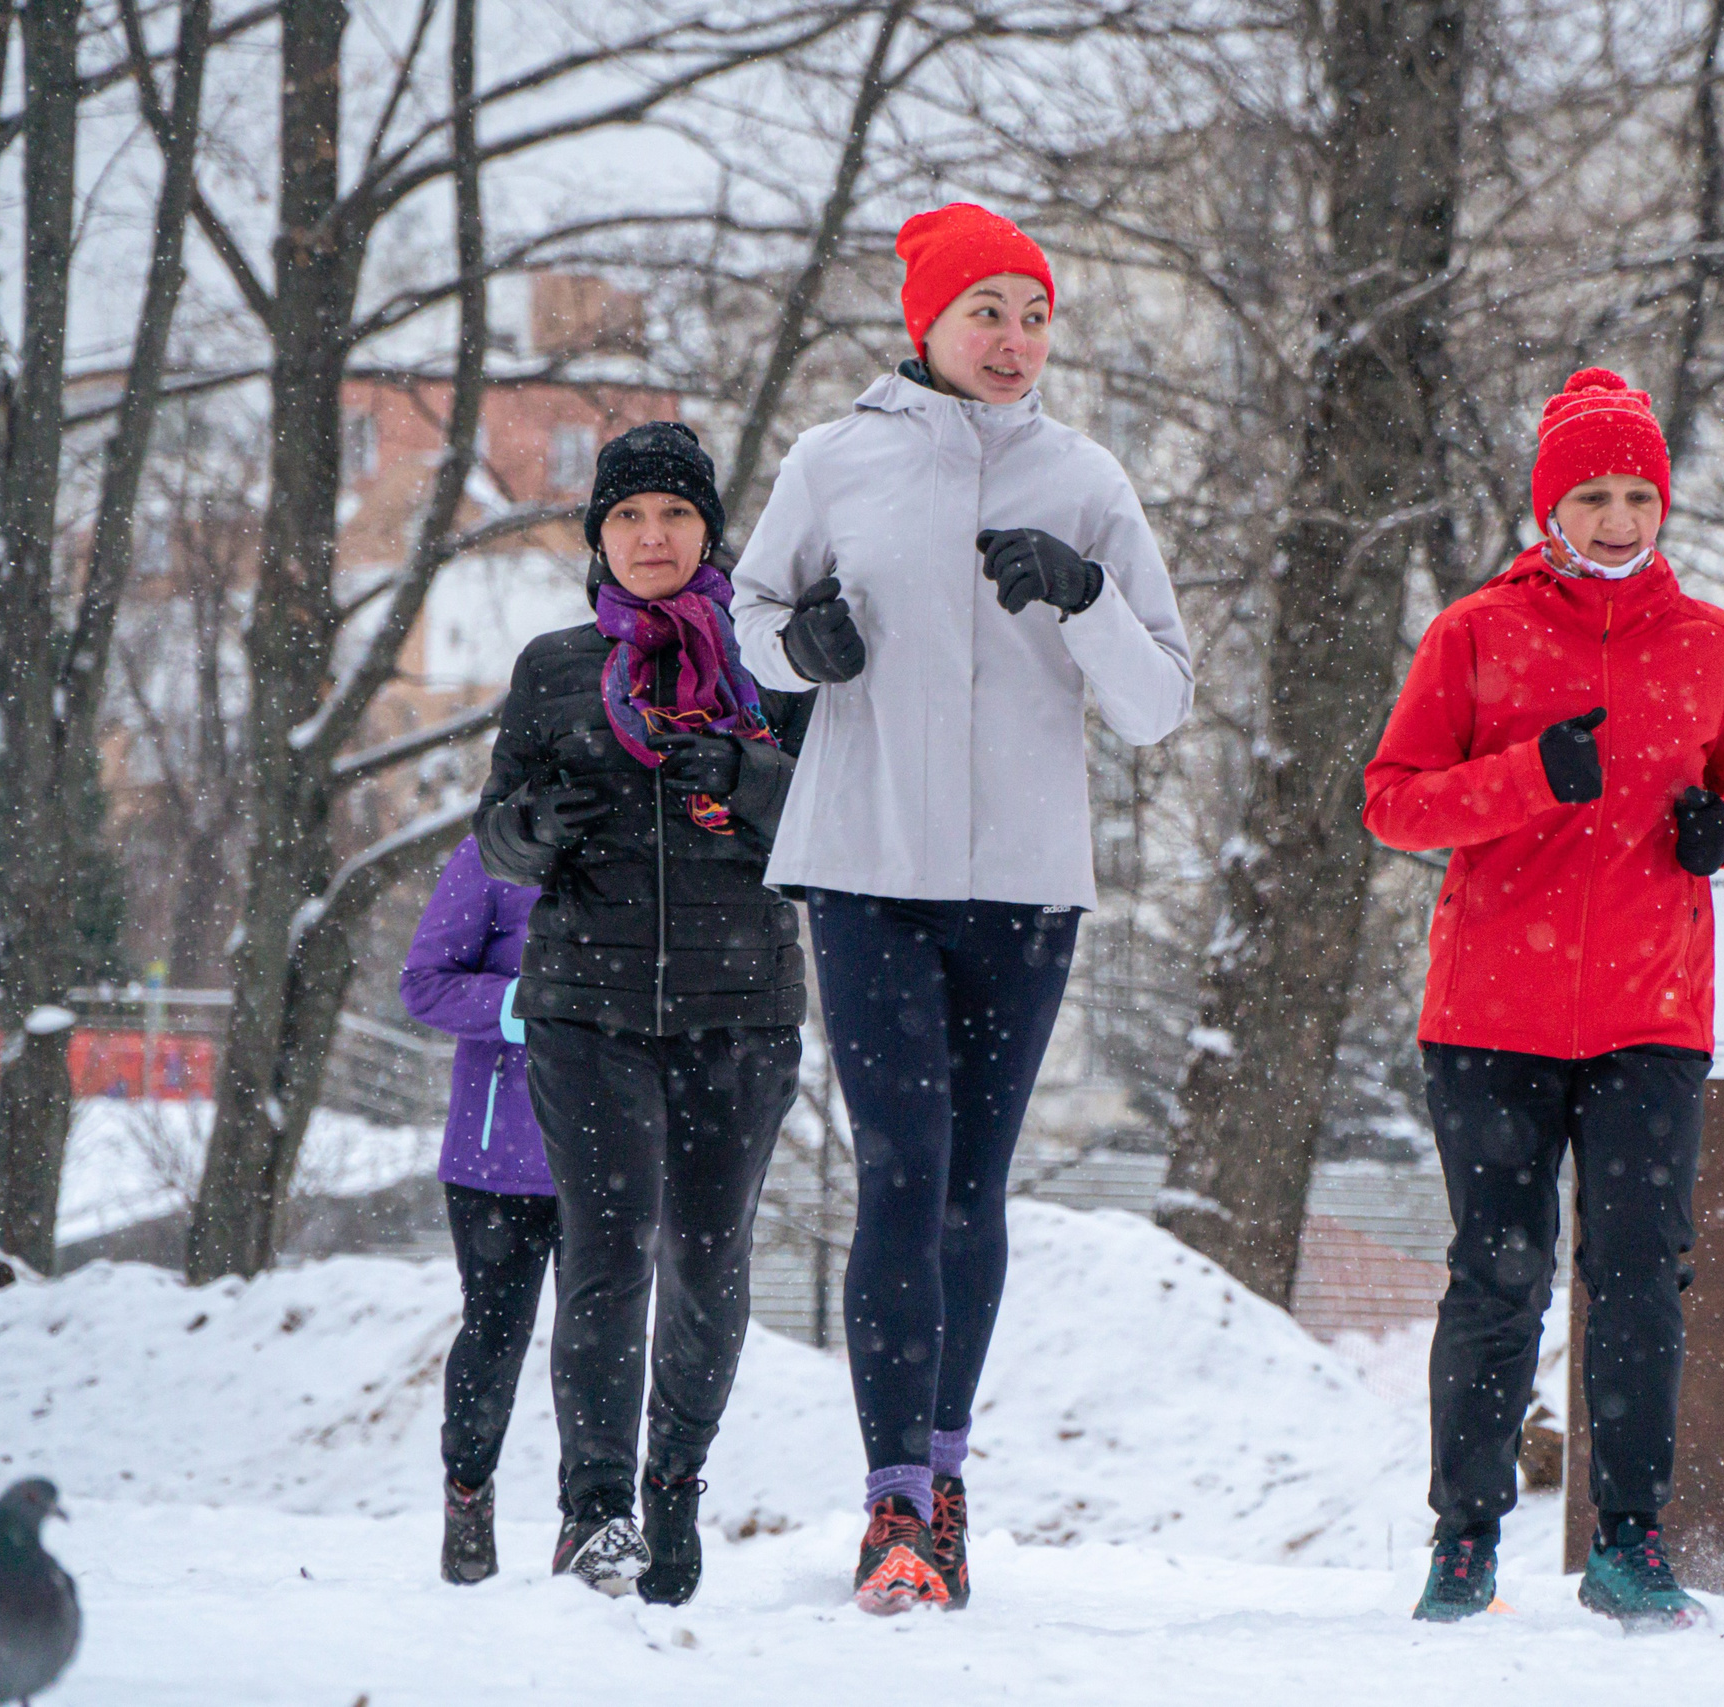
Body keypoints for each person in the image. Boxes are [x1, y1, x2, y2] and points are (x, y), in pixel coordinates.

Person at [732, 202, 1194, 1615]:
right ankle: (892, 1502)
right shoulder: (834, 459)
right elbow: (751, 616)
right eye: (987, 310)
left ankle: (945, 1482)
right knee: (900, 1172)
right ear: (925, 323)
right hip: (870, 868)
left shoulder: (1087, 479)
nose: (1014, 338)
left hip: (1024, 888)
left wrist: (1086, 594)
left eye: (1034, 314)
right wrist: (800, 644)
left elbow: (1159, 703)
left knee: (970, 1189)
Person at [1362, 368, 1724, 1630]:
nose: (1617, 521)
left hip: (1650, 1017)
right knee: (1499, 1279)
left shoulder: (1710, 643)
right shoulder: (1476, 633)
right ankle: (1464, 1545)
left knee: (1642, 1280)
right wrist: (1527, 777)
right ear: (1550, 507)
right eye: (1593, 497)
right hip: (1490, 1018)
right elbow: (1393, 803)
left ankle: (1629, 1543)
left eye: (1637, 497)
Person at [474, 420, 811, 1605]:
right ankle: (594, 1513)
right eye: (628, 516)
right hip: (588, 1010)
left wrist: (748, 778)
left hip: (741, 1010)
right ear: (600, 536)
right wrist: (536, 828)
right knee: (607, 1260)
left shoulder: (771, 665)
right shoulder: (555, 668)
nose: (651, 535)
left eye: (674, 515)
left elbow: (833, 830)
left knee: (709, 1264)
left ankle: (673, 1491)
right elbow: (495, 840)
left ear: (709, 533)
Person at [399, 836, 553, 1586]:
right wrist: (526, 1005)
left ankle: (595, 1518)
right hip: (499, 1158)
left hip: (614, 1151)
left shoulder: (639, 842)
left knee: (604, 1345)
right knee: (495, 1337)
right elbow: (423, 984)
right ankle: (468, 1488)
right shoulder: (493, 852)